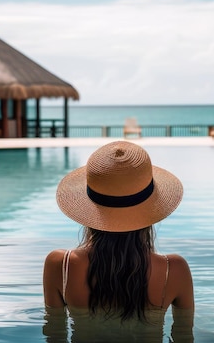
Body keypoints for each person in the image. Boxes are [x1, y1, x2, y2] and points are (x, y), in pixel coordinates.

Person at [43, 141, 194, 342]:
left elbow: (54, 335)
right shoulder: (173, 270)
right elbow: (184, 337)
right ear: (151, 209)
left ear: (90, 208)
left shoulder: (61, 265)